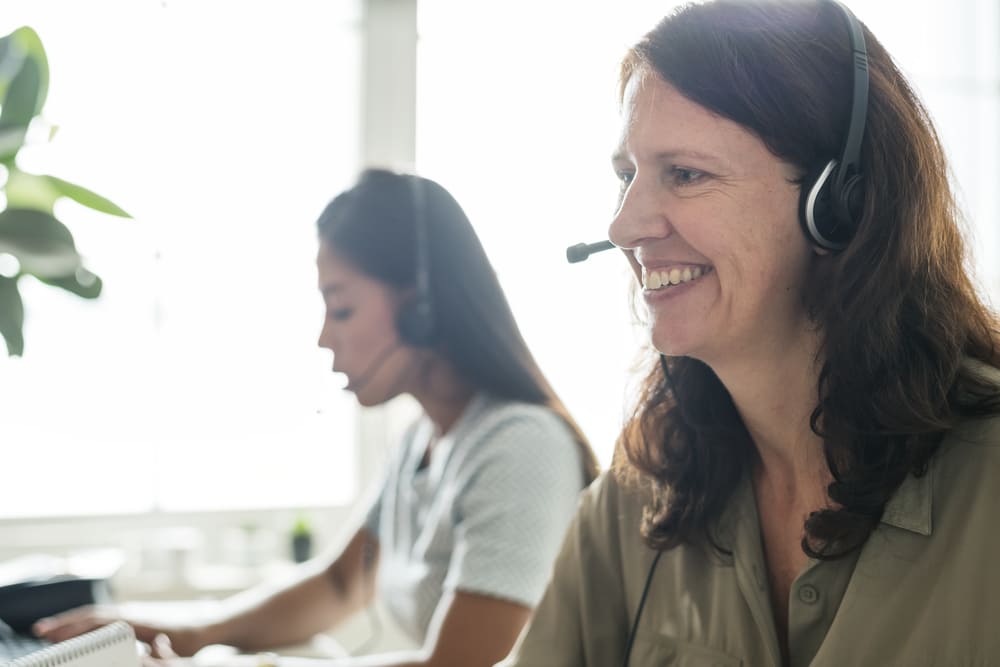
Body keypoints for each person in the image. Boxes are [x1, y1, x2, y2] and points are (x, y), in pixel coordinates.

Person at [499, 1, 1000, 665]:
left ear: (838, 203)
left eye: (685, 173)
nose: (624, 226)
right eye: (627, 176)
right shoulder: (638, 496)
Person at [34, 168, 600, 667]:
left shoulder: (521, 446)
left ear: (422, 307)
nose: (325, 338)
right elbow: (338, 583)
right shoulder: (420, 444)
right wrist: (181, 632)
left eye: (343, 307)